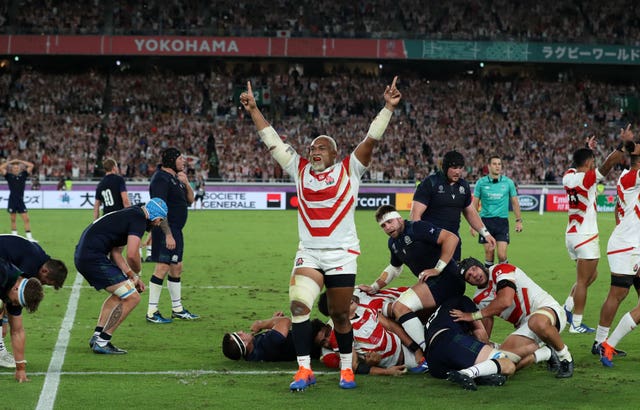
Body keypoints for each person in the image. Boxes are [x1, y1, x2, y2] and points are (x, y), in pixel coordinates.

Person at [240, 76, 401, 391]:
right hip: (310, 253)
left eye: (322, 147)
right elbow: (272, 141)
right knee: (299, 307)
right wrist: (254, 110)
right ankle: (304, 370)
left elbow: (371, 140)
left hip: (342, 255)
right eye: (312, 147)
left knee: (340, 316)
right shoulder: (298, 170)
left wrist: (387, 109)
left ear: (335, 153)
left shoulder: (350, 169)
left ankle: (346, 369)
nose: (315, 151)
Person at [365, 205, 465, 356]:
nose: (387, 227)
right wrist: (374, 287)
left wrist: (437, 268)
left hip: (448, 278)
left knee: (400, 308)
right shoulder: (393, 243)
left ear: (399, 218)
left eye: (390, 222)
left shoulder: (417, 228)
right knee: (413, 320)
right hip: (431, 285)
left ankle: (426, 353)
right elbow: (394, 268)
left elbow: (451, 238)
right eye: (383, 226)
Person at [453, 257, 574, 378]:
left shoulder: (500, 270)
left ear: (480, 265)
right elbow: (487, 324)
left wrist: (473, 316)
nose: (474, 275)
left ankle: (565, 358)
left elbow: (505, 300)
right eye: (469, 276)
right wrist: (482, 346)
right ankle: (546, 353)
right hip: (527, 328)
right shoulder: (479, 298)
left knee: (536, 322)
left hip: (550, 312)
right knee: (504, 362)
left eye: (474, 269)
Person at [562, 129, 633, 334]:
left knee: (590, 277)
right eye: (592, 161)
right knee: (584, 280)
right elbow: (609, 164)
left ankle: (568, 306)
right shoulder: (587, 179)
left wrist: (587, 150)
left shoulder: (569, 177)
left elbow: (576, 165)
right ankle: (576, 324)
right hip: (586, 236)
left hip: (571, 236)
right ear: (590, 163)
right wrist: (621, 145)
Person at [75, 198, 167, 354]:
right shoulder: (138, 219)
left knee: (121, 294)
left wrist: (132, 276)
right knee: (133, 297)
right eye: (159, 220)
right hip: (93, 257)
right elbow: (131, 254)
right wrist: (137, 273)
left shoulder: (131, 214)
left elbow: (117, 253)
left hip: (85, 255)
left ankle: (98, 335)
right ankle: (103, 342)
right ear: (154, 216)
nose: (158, 224)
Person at [592, 130, 638, 359]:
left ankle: (604, 343)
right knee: (617, 294)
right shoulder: (632, 177)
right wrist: (626, 143)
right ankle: (602, 343)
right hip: (628, 247)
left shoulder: (627, 178)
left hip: (631, 245)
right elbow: (610, 162)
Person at [410, 150, 496, 261]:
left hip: (453, 242)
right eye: (454, 168)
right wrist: (420, 238)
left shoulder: (463, 186)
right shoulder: (430, 183)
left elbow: (471, 212)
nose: (458, 172)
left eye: (460, 168)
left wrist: (486, 233)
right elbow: (415, 214)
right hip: (431, 242)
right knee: (430, 276)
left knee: (454, 276)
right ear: (445, 167)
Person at [318, 291, 427, 376]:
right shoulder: (340, 335)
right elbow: (354, 366)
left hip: (409, 342)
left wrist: (416, 349)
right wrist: (387, 372)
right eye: (341, 299)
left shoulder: (364, 309)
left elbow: (390, 326)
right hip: (405, 361)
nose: (347, 298)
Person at [146, 148, 198, 324]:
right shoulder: (160, 178)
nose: (184, 162)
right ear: (171, 160)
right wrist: (167, 234)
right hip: (166, 229)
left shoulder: (175, 179)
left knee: (177, 267)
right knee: (162, 267)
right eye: (181, 158)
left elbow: (191, 200)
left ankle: (177, 309)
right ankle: (152, 311)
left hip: (176, 230)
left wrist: (187, 183)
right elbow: (157, 208)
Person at [0, 234, 68, 367]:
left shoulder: (38, 257)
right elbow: (14, 303)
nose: (41, 284)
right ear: (44, 270)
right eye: (45, 282)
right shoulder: (28, 269)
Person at [425, 295, 515, 390]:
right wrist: (489, 349)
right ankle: (467, 373)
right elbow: (479, 331)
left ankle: (476, 375)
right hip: (449, 340)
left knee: (486, 368)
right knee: (506, 363)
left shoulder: (436, 314)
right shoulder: (461, 300)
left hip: (433, 363)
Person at [470, 155, 522, 268]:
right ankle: (489, 283)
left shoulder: (508, 182)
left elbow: (514, 202)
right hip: (485, 222)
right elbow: (474, 203)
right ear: (489, 166)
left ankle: (506, 279)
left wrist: (518, 220)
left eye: (499, 164)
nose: (497, 166)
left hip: (502, 222)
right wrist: (472, 224)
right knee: (489, 253)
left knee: (502, 255)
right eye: (494, 164)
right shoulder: (481, 183)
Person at [0, 258, 45, 382]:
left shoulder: (15, 288)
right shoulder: (2, 274)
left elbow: (17, 331)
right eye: (15, 302)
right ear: (15, 289)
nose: (14, 305)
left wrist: (20, 368)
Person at [222, 312, 324, 362]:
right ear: (244, 344)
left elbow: (272, 336)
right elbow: (286, 321)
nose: (241, 331)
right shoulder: (265, 345)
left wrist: (274, 321)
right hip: (314, 341)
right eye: (239, 335)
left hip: (305, 341)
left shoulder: (253, 352)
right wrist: (261, 323)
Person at [0, 159, 36, 241]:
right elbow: (1, 168)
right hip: (12, 200)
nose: (16, 169)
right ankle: (14, 237)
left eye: (17, 168)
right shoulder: (8, 176)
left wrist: (20, 161)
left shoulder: (23, 175)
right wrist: (10, 162)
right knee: (13, 219)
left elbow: (31, 165)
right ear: (12, 169)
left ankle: (29, 238)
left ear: (19, 169)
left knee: (26, 219)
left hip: (20, 200)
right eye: (14, 168)